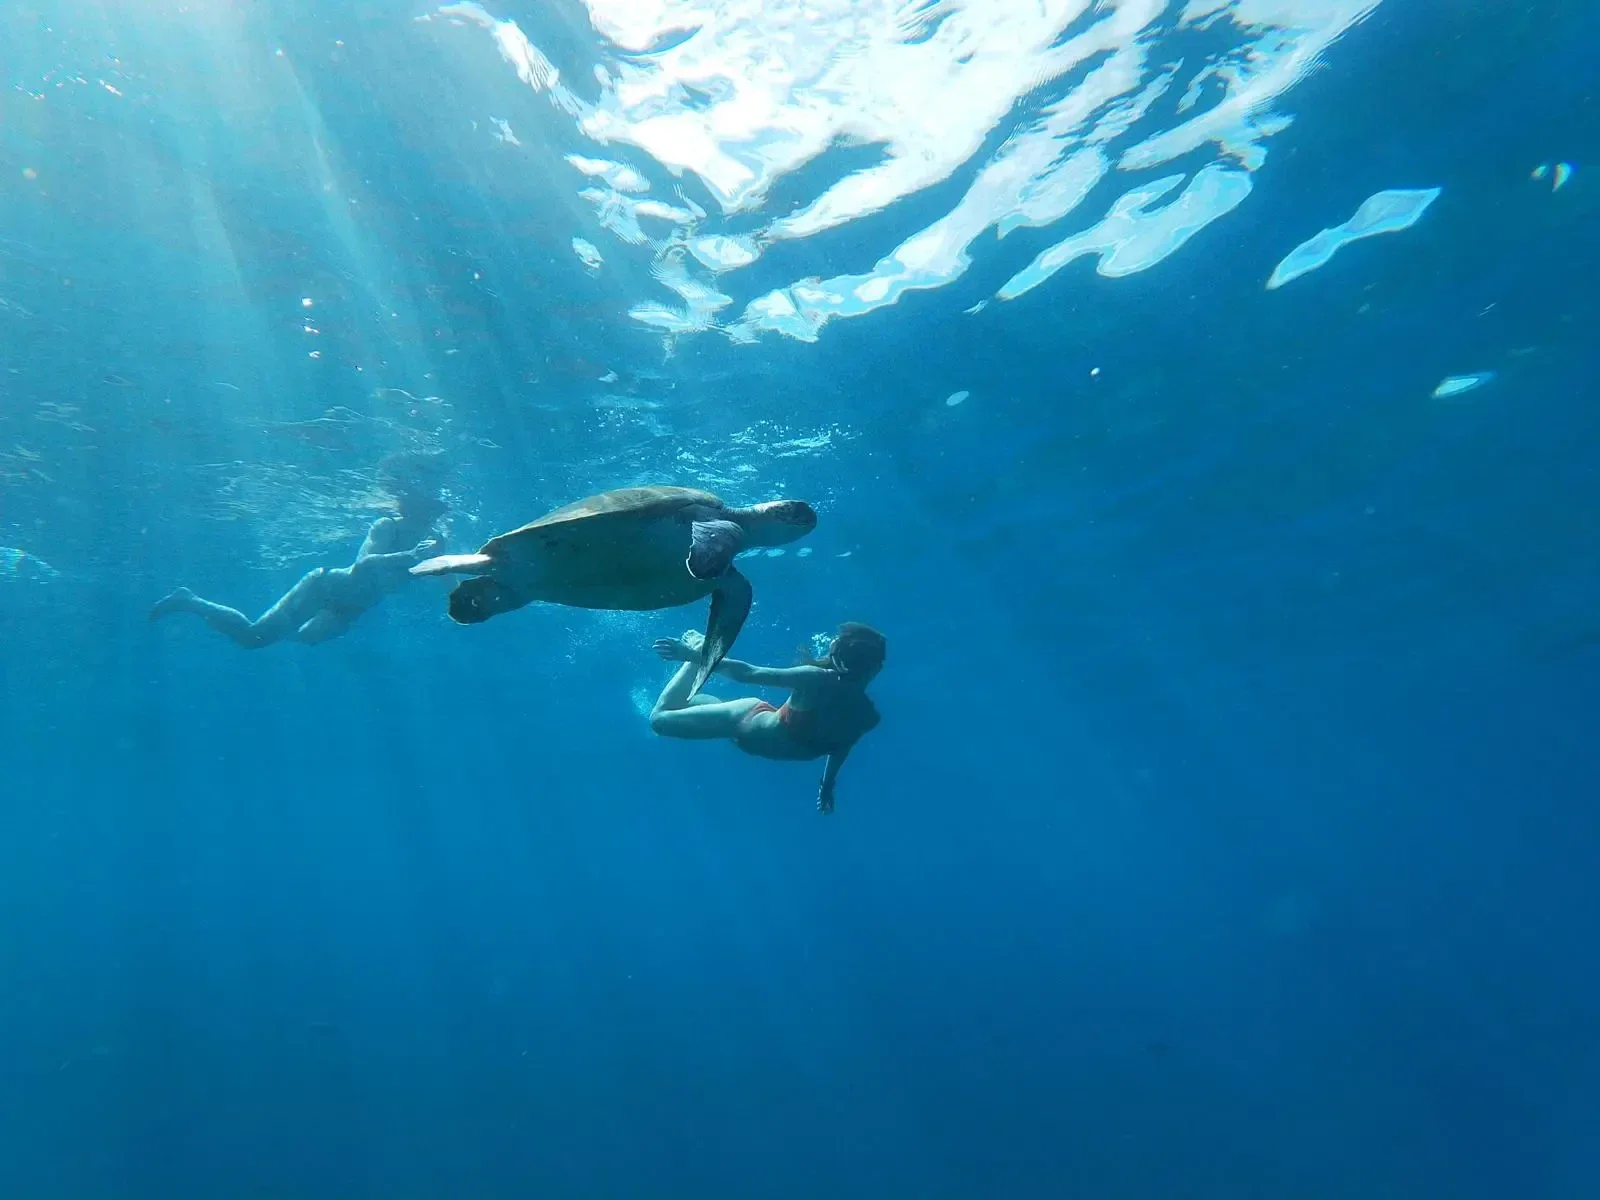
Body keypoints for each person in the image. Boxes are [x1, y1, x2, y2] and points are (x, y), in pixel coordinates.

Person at [149, 450, 450, 647]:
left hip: (352, 608)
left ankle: (284, 622)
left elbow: (448, 581)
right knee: (253, 638)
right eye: (431, 504)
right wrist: (410, 557)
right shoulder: (388, 526)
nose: (435, 510)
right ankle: (189, 601)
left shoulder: (435, 540)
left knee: (306, 639)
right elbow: (365, 564)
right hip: (325, 587)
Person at [649, 622, 885, 814]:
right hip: (743, 720)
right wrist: (693, 655)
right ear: (876, 668)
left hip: (746, 735)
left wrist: (827, 786)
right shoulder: (817, 680)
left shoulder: (866, 716)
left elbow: (840, 748)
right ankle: (705, 647)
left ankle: (698, 683)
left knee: (688, 707)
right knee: (659, 721)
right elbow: (748, 673)